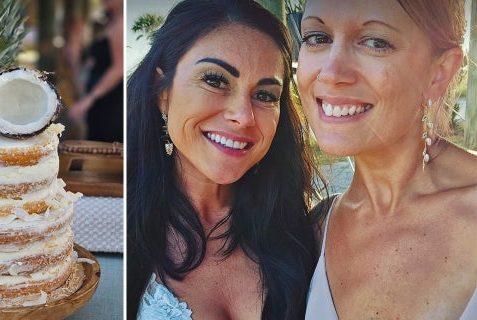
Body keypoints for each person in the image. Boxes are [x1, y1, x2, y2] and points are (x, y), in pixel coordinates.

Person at [126, 0, 324, 318]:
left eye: (264, 95)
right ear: (162, 91)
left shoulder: (299, 231)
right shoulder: (121, 223)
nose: (243, 116)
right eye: (216, 80)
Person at [297, 0, 477, 318]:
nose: (331, 73)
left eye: (376, 42)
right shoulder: (314, 230)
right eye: (317, 37)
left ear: (439, 73)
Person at [68, 0, 123, 143]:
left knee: (106, 152)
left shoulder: (121, 25)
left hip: (110, 103)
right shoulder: (109, 23)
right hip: (101, 102)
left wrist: (89, 99)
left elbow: (119, 68)